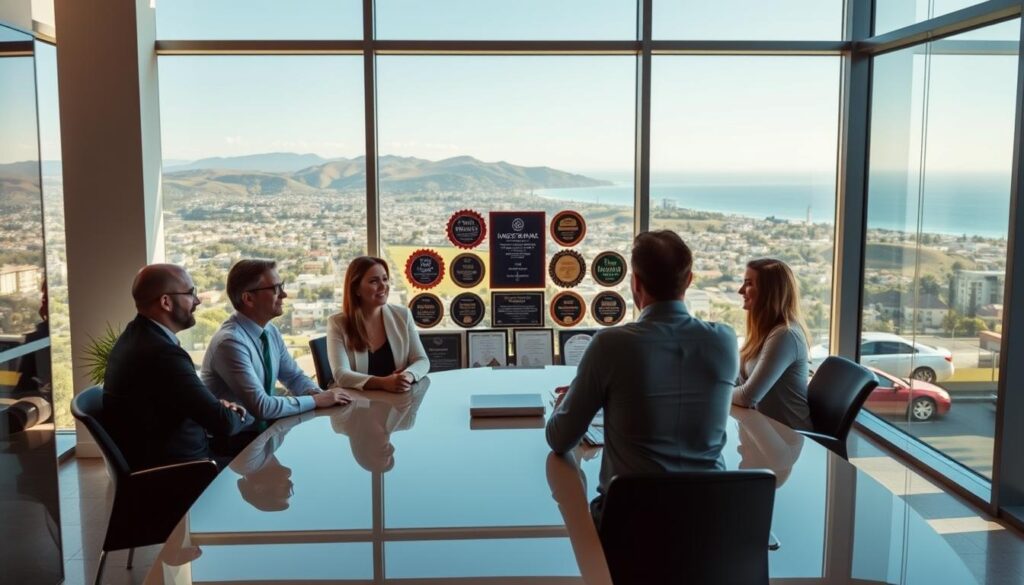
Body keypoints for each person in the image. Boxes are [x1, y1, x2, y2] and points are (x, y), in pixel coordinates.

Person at [545, 231, 739, 524]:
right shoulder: (724, 340)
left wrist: (566, 402)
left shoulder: (611, 345)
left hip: (629, 525)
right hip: (710, 520)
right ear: (688, 280)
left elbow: (559, 439)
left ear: (635, 282)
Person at [103, 264, 248, 470]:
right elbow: (223, 423)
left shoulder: (136, 336)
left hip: (163, 461)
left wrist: (217, 409)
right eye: (191, 293)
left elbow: (191, 402)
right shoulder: (162, 353)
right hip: (182, 472)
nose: (197, 301)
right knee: (263, 464)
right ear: (166, 302)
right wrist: (238, 413)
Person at [202, 259, 351, 448]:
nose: (284, 294)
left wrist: (317, 393)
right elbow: (262, 407)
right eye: (275, 289)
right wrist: (315, 400)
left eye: (282, 286)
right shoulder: (230, 342)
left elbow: (294, 377)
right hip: (235, 445)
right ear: (248, 298)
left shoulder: (269, 331)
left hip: (266, 435)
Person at [731, 258, 813, 431]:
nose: (740, 291)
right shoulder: (763, 332)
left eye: (748, 284)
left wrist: (710, 393)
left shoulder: (785, 335)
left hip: (790, 439)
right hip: (764, 432)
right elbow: (738, 384)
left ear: (770, 292)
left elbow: (747, 397)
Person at [327, 256, 430, 391]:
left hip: (396, 404)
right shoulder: (337, 323)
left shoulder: (403, 315)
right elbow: (341, 375)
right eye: (374, 281)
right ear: (356, 289)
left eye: (385, 279)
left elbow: (422, 360)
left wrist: (407, 376)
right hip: (355, 404)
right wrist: (383, 383)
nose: (383, 286)